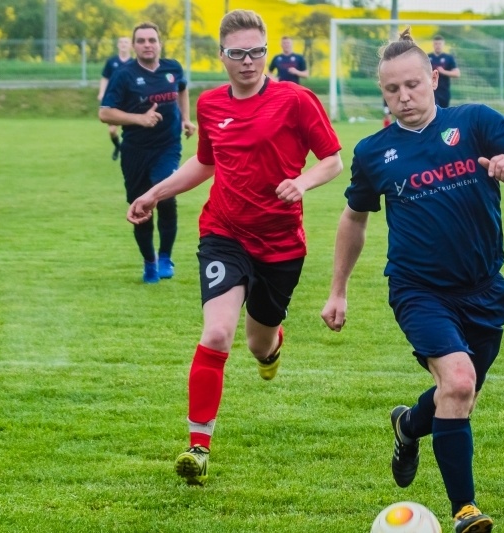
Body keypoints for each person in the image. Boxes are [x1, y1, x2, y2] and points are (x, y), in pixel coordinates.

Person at [321, 28, 504, 533]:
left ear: (432, 79)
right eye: (392, 90)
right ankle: (465, 511)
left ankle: (408, 425)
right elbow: (353, 219)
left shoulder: (474, 121)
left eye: (413, 85)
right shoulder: (372, 152)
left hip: (486, 290)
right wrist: (338, 289)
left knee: (457, 396)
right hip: (418, 291)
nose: (404, 97)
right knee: (459, 380)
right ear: (382, 92)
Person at [126, 9, 342, 486]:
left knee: (257, 342)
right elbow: (205, 163)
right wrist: (153, 193)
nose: (248, 61)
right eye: (238, 53)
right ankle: (197, 446)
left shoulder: (295, 99)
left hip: (282, 243)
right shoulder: (209, 104)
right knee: (218, 332)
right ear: (221, 55)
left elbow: (332, 160)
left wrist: (301, 182)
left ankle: (271, 348)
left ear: (267, 51)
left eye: (257, 52)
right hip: (223, 233)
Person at [99, 22, 196, 283]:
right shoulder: (124, 75)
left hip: (168, 147)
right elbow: (104, 112)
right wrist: (139, 119)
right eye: (141, 40)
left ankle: (165, 256)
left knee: (165, 196)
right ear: (134, 46)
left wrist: (186, 119)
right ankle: (149, 261)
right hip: (135, 152)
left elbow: (183, 90)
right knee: (140, 207)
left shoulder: (172, 68)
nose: (147, 45)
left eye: (152, 40)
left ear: (159, 43)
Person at [97, 37, 133, 161]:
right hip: (114, 99)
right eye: (121, 42)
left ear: (131, 46)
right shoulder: (111, 62)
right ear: (118, 45)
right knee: (112, 131)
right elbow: (105, 78)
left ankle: (130, 152)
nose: (123, 44)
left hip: (128, 100)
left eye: (126, 42)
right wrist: (102, 92)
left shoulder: (134, 63)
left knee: (130, 129)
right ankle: (118, 147)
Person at [428, 35, 460, 108]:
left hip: (444, 91)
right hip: (431, 90)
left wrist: (443, 71)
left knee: (444, 112)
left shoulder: (448, 58)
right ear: (433, 44)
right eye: (436, 44)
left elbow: (457, 74)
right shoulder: (428, 57)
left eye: (439, 44)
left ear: (443, 45)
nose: (438, 46)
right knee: (434, 110)